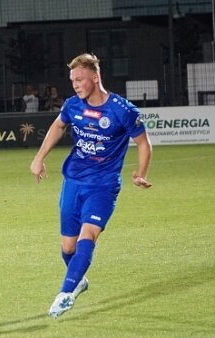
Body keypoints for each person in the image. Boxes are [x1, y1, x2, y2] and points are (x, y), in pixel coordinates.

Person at [29, 53, 153, 319]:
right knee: (68, 248)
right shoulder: (73, 105)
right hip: (73, 182)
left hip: (103, 186)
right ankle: (79, 280)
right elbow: (58, 125)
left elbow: (144, 143)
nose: (75, 84)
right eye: (72, 80)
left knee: (89, 235)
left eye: (80, 79)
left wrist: (140, 173)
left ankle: (65, 293)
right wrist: (39, 158)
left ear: (95, 78)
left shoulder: (123, 110)